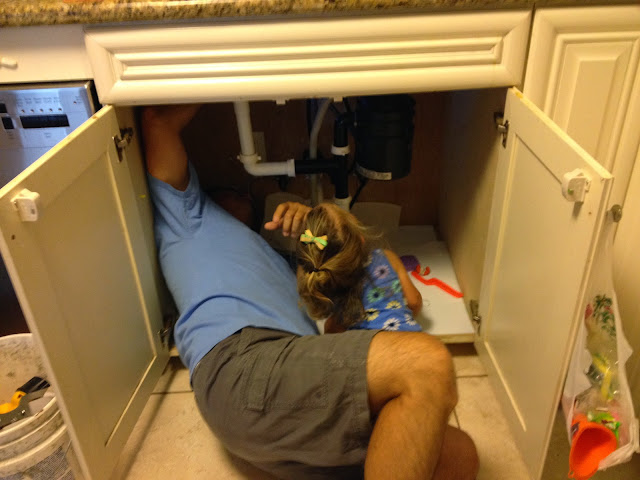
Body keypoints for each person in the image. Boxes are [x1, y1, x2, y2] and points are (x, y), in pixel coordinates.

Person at [142, 104, 479, 480]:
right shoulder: (190, 216)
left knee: (457, 456)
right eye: (235, 191)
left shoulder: (280, 262)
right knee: (426, 363)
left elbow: (341, 263)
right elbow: (158, 123)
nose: (245, 197)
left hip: (290, 406)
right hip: (244, 364)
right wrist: (226, 72)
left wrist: (312, 222)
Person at [264, 201, 422, 334]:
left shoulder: (336, 312)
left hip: (371, 353)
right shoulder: (386, 257)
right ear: (360, 240)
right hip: (412, 343)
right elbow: (414, 302)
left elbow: (333, 335)